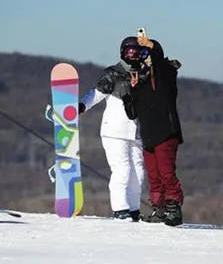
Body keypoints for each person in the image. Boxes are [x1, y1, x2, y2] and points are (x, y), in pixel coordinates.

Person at [78, 38, 148, 222]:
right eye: (129, 51)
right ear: (123, 52)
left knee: (138, 172)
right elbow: (96, 93)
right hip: (115, 131)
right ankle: (120, 209)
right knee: (122, 170)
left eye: (135, 51)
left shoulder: (145, 74)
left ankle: (134, 209)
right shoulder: (114, 74)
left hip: (137, 131)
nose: (132, 54)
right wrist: (82, 106)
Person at [124, 34, 184, 226]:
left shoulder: (165, 73)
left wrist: (150, 45)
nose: (145, 58)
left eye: (146, 54)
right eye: (143, 55)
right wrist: (131, 91)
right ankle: (160, 209)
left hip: (166, 131)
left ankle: (174, 208)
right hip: (149, 134)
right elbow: (133, 113)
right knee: (154, 175)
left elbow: (158, 58)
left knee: (167, 173)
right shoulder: (141, 81)